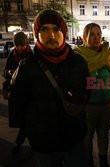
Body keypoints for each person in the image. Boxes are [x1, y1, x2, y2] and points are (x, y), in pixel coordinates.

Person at [8, 9, 89, 167]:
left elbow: (88, 90)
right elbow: (17, 104)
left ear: (63, 32)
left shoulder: (79, 62)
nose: (51, 35)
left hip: (74, 138)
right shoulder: (26, 66)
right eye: (44, 29)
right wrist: (32, 132)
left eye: (56, 29)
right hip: (44, 143)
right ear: (36, 33)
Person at [74, 23, 110, 167]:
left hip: (107, 104)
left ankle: (103, 160)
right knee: (87, 136)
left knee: (103, 134)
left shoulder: (107, 52)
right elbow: (75, 83)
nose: (96, 38)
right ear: (84, 37)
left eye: (98, 34)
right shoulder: (78, 56)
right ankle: (89, 161)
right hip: (88, 106)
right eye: (92, 34)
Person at [3, 32, 33, 154]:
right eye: (17, 46)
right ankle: (26, 144)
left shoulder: (31, 56)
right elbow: (4, 72)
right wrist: (9, 73)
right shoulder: (12, 54)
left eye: (22, 46)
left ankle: (19, 144)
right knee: (23, 121)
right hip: (16, 94)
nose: (19, 48)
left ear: (26, 44)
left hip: (28, 94)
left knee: (26, 121)